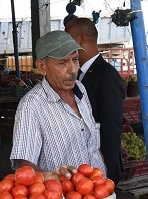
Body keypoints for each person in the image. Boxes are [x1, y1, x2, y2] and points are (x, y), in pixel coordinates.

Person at [9, 30, 106, 180]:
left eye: (75, 59)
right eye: (63, 63)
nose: (73, 69)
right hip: (62, 198)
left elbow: (92, 146)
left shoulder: (80, 89)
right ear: (42, 67)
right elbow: (24, 167)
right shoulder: (31, 106)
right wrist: (50, 176)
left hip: (96, 192)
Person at [65, 18, 126, 183]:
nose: (64, 44)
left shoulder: (106, 76)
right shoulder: (78, 74)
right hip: (83, 165)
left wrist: (107, 171)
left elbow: (111, 127)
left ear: (82, 39)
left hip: (100, 170)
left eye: (68, 38)